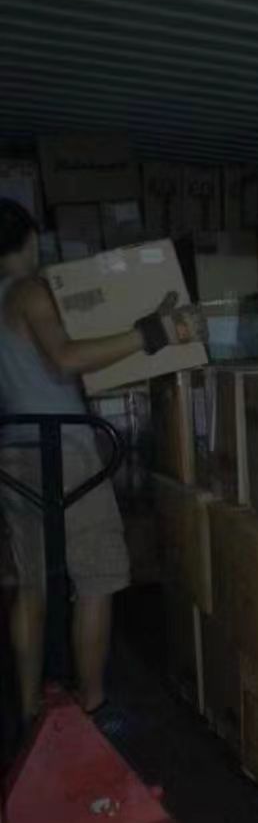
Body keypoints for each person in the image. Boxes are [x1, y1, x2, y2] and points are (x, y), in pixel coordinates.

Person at [0, 198, 205, 726]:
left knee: (32, 582)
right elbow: (65, 358)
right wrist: (151, 334)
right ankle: (91, 706)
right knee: (97, 575)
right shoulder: (29, 290)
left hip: (14, 447)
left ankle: (29, 709)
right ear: (30, 239)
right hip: (63, 447)